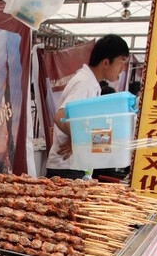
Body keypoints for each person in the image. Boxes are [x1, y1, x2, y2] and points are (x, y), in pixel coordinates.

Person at [45, 34, 131, 179]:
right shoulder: (85, 84)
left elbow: (84, 126)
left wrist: (81, 140)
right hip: (66, 169)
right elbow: (60, 116)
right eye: (121, 62)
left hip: (74, 167)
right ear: (106, 62)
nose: (122, 68)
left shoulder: (92, 84)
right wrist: (79, 139)